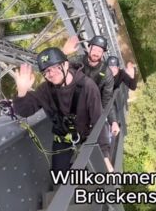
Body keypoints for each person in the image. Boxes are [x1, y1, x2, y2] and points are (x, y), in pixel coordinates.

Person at [12, 47, 112, 175]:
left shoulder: (88, 87)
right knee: (59, 176)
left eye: (55, 67)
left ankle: (84, 171)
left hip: (85, 136)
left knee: (95, 169)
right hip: (63, 138)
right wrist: (21, 91)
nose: (51, 73)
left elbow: (99, 120)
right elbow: (25, 110)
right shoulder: (45, 90)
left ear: (65, 64)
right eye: (46, 71)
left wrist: (104, 156)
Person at [63, 35, 120, 137]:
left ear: (103, 54)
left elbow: (106, 100)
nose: (96, 53)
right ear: (89, 48)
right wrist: (64, 53)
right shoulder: (77, 61)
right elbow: (59, 70)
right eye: (94, 49)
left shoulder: (107, 74)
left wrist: (113, 121)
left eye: (100, 51)